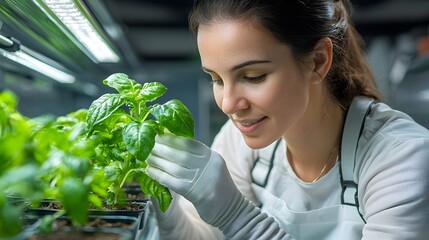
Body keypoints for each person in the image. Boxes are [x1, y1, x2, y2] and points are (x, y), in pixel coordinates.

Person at [145, 0, 429, 239]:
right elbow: (205, 236)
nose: (229, 104)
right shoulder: (239, 141)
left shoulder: (403, 158)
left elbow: (232, 223)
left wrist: (236, 216)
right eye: (216, 79)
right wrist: (163, 205)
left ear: (317, 61)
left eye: (253, 77)